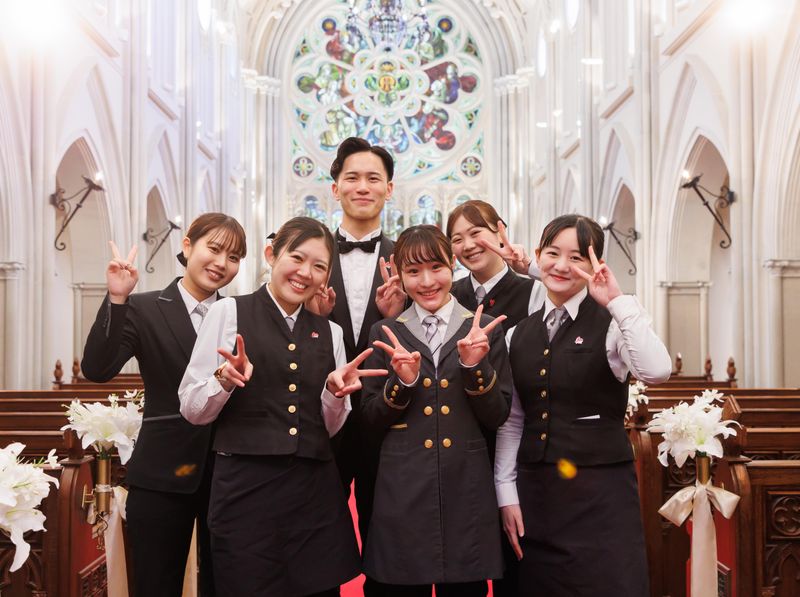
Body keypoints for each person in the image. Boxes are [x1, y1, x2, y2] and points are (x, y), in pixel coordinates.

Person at [179, 217, 380, 597]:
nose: (305, 273)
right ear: (272, 254)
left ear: (327, 277)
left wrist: (334, 395)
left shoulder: (331, 332)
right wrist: (223, 381)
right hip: (245, 492)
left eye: (319, 266)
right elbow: (192, 409)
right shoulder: (227, 313)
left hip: (313, 495)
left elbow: (331, 428)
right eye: (297, 258)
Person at [495, 214, 672, 596]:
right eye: (553, 253)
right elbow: (513, 421)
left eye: (576, 257)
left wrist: (618, 301)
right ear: (538, 255)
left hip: (600, 495)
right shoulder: (517, 334)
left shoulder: (613, 324)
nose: (562, 265)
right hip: (537, 492)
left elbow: (657, 370)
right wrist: (505, 492)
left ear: (595, 265)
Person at [81, 212, 247, 597]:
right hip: (160, 470)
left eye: (234, 257)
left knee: (227, 584)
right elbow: (98, 369)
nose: (221, 263)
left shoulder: (240, 314)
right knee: (156, 584)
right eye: (214, 249)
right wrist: (117, 299)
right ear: (187, 245)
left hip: (227, 472)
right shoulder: (145, 307)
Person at [360, 225, 512, 596]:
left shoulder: (482, 330)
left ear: (452, 265)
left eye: (436, 268)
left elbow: (498, 415)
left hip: (466, 488)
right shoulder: (385, 331)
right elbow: (370, 418)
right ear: (399, 275)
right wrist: (403, 383)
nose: (427, 282)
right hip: (403, 489)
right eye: (413, 272)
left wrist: (474, 366)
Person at [447, 203, 543, 596]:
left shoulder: (532, 290)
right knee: (462, 557)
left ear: (500, 230)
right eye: (457, 239)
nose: (468, 245)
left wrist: (530, 266)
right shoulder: (449, 293)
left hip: (518, 435)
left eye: (477, 233)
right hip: (463, 438)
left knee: (516, 561)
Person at [320, 137, 406, 572]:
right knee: (318, 537)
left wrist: (399, 316)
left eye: (374, 178)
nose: (362, 187)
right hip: (321, 418)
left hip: (388, 418)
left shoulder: (408, 259)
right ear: (335, 188)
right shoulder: (310, 257)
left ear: (389, 189)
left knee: (387, 539)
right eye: (352, 178)